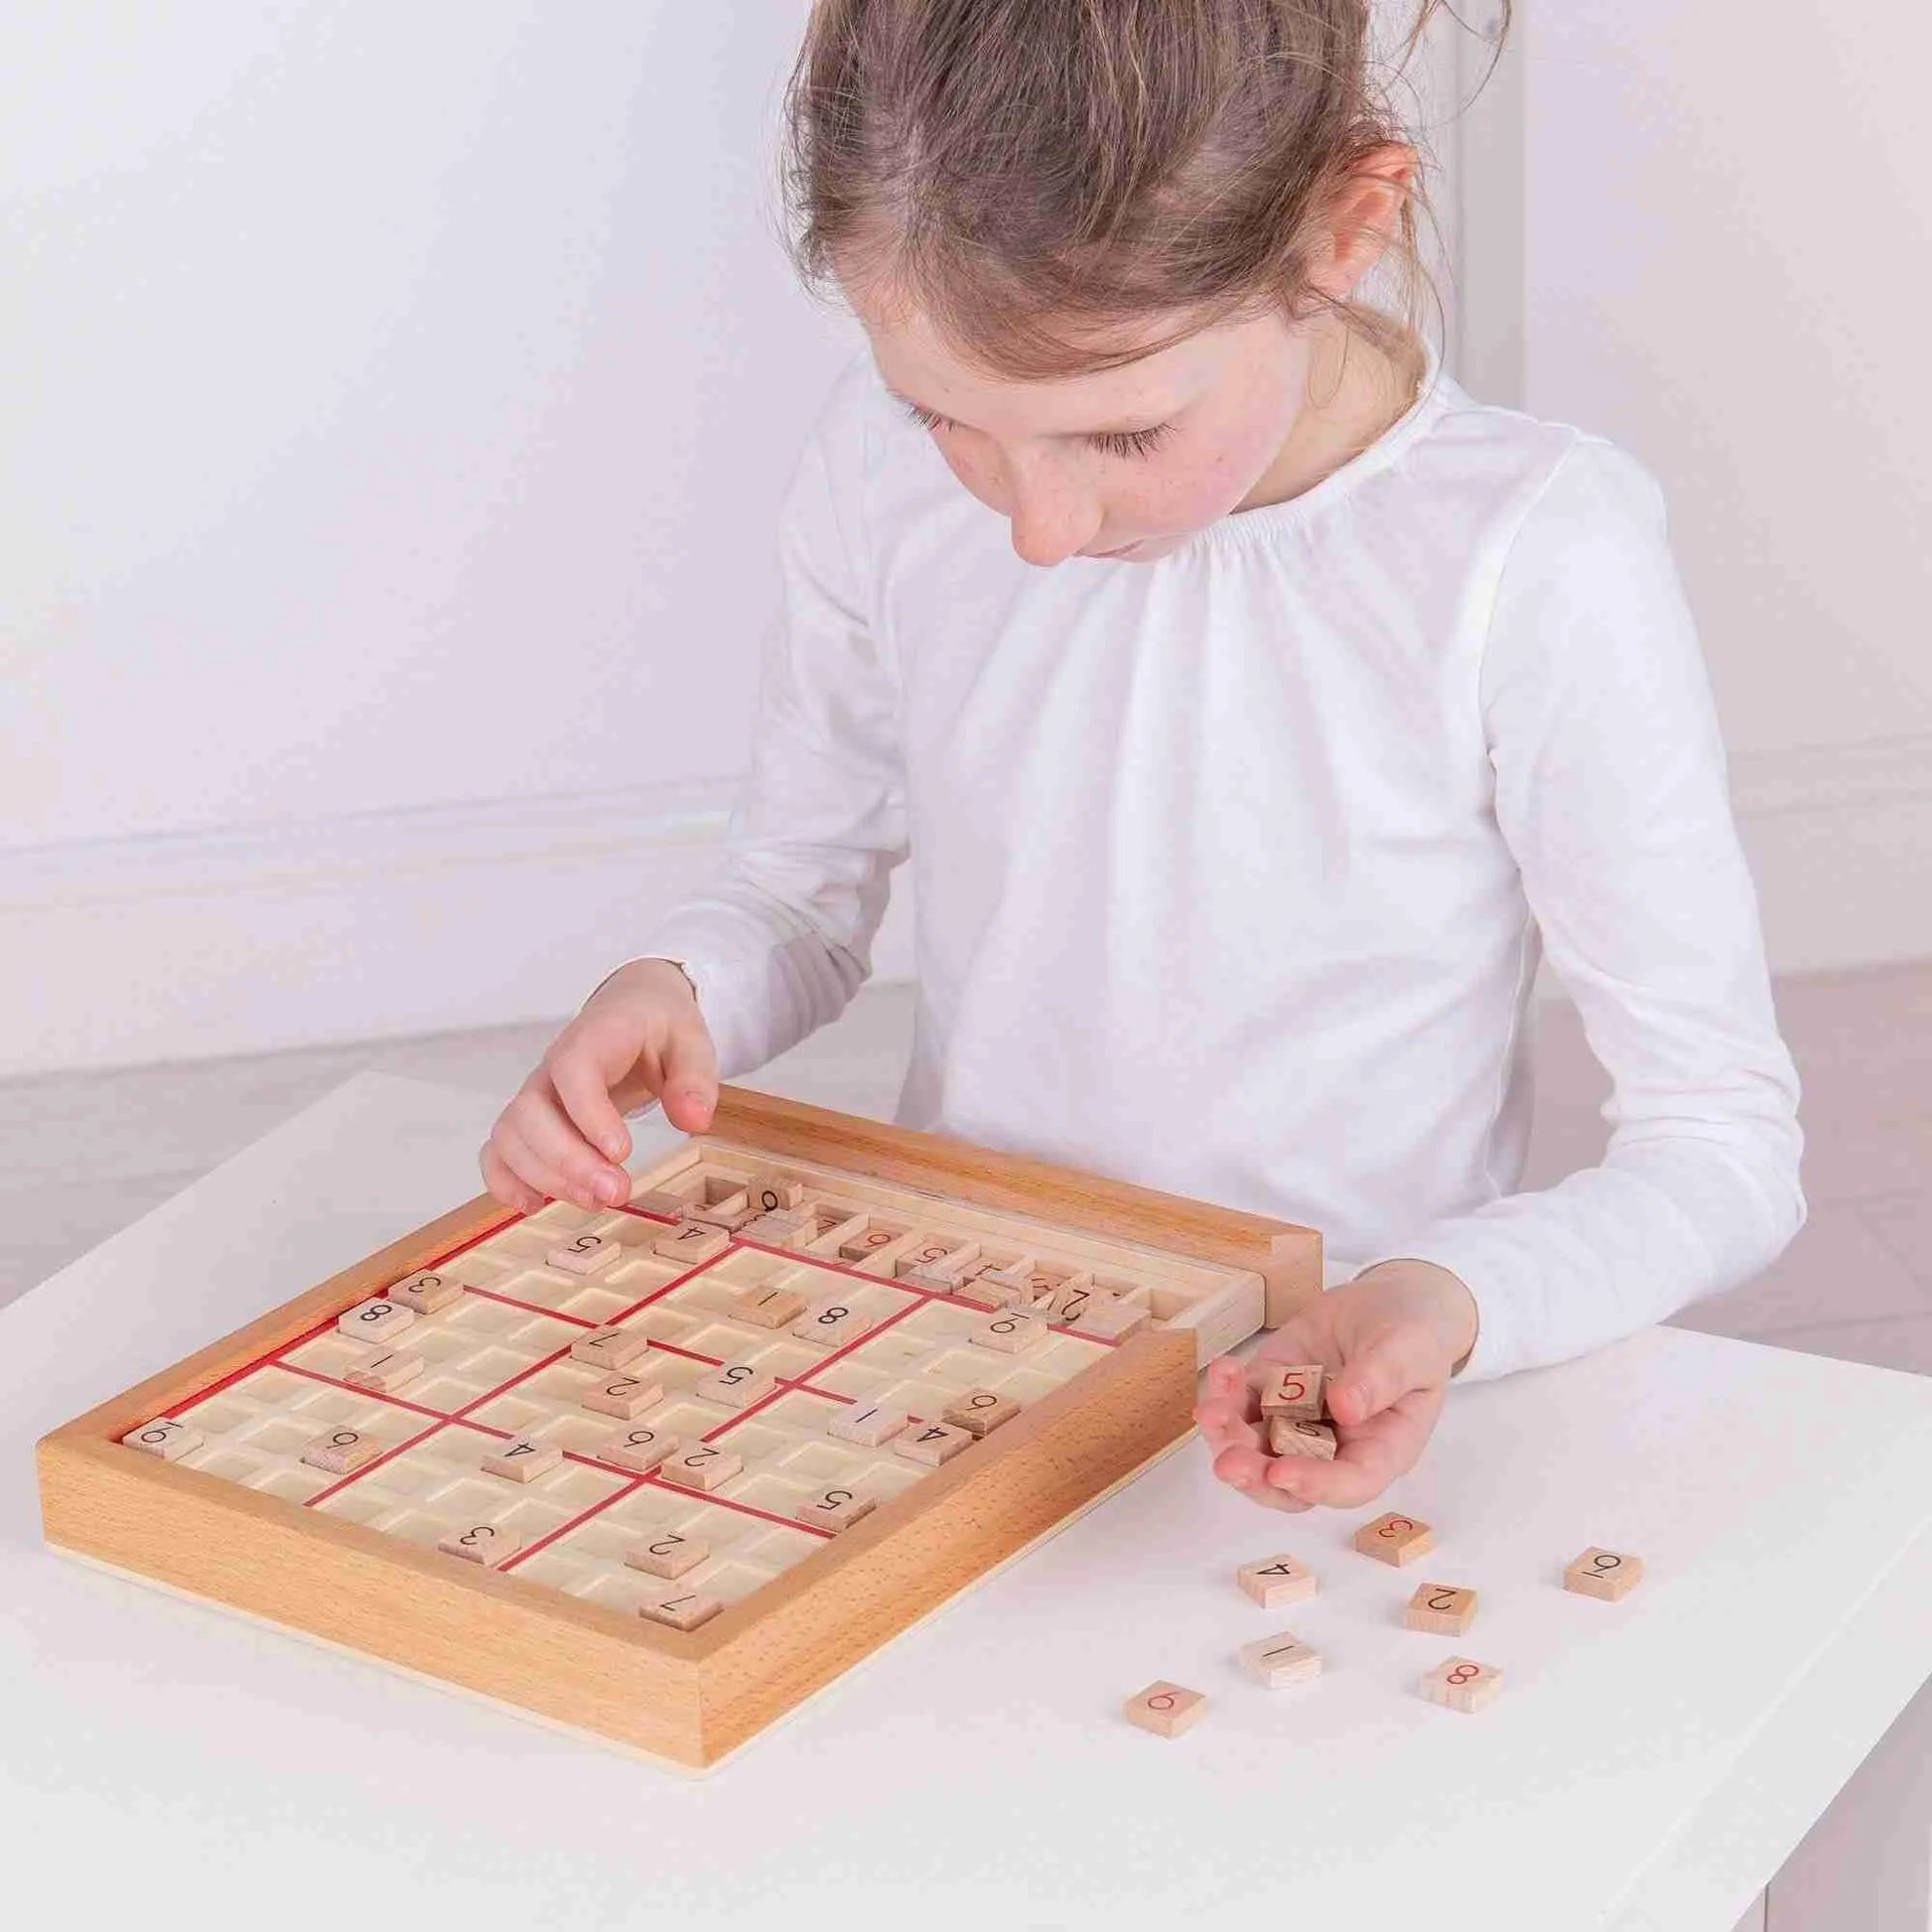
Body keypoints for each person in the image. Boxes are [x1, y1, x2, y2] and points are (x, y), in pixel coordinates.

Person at [481, 0, 1804, 1517]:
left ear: (1344, 227)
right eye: (946, 419)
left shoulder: (1534, 557)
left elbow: (1718, 1146)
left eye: (1118, 436)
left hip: (1327, 1410)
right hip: (954, 1375)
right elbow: (794, 890)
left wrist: (1443, 1297)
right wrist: (675, 990)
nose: (1036, 531)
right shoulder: (867, 467)